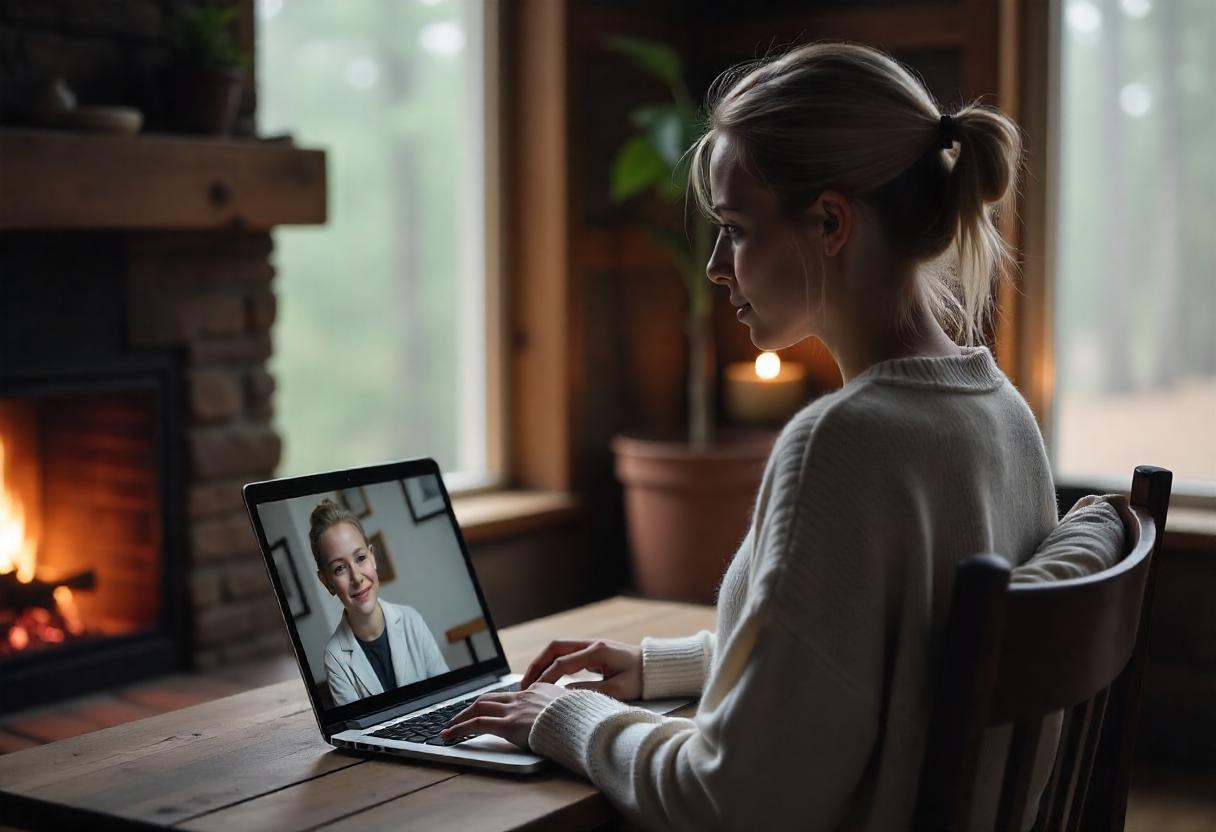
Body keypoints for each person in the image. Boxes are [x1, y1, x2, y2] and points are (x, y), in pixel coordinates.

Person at [441, 42, 1057, 830]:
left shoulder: (843, 443)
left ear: (830, 223)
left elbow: (731, 800)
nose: (714, 265)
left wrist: (567, 718)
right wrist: (662, 667)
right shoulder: (1002, 413)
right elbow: (886, 651)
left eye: (734, 228)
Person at [309, 499, 448, 706]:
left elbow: (448, 694)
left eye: (360, 558)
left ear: (372, 557)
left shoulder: (411, 619)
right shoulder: (335, 657)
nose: (356, 578)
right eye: (339, 568)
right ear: (326, 581)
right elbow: (358, 724)